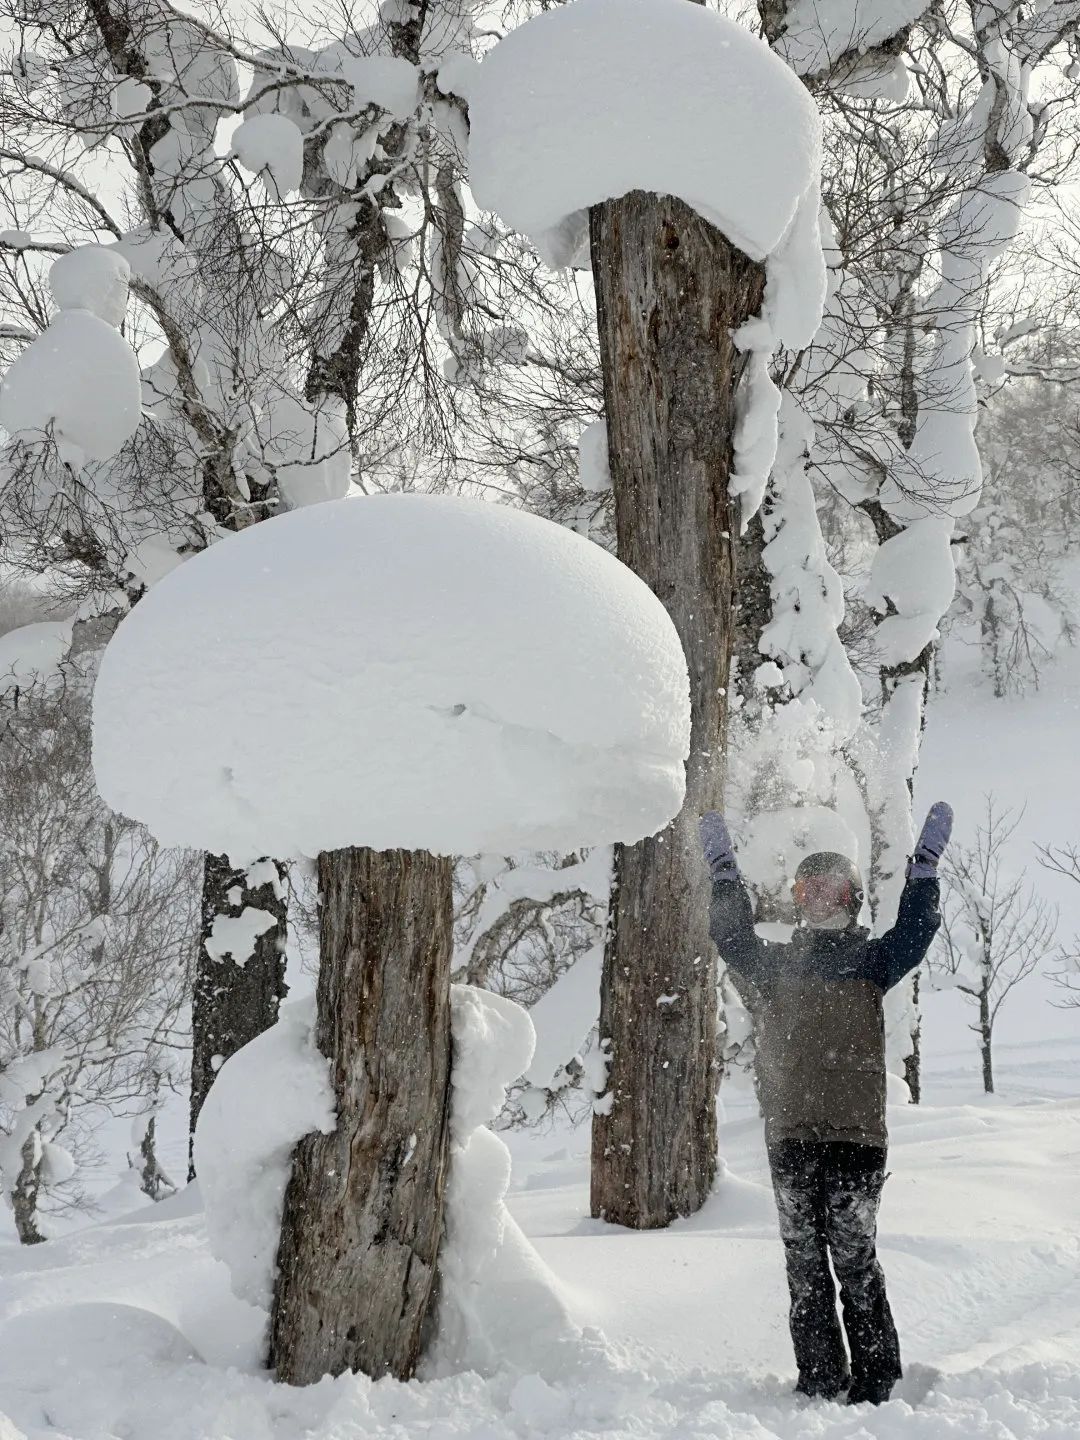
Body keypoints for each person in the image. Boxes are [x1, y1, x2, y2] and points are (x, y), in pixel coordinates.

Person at [700, 803, 953, 1406]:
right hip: (792, 1135)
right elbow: (733, 937)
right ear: (797, 898)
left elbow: (915, 935)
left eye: (832, 887)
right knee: (805, 1268)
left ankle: (876, 1385)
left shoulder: (871, 961)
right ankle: (819, 1382)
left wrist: (924, 872)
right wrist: (723, 873)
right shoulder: (778, 964)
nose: (819, 898)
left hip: (857, 1138)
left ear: (853, 896)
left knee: (855, 1261)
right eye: (808, 888)